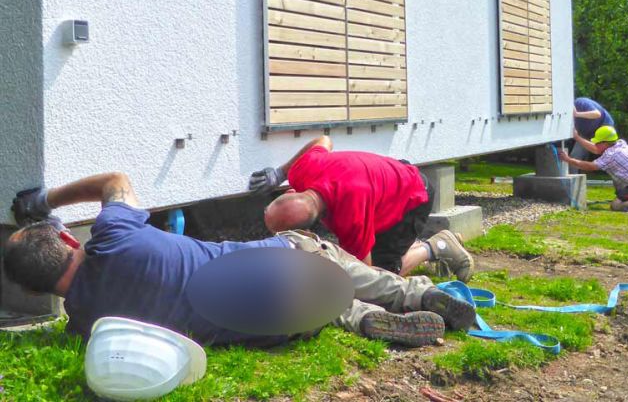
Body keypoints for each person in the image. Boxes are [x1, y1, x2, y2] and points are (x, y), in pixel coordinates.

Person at [4, 172, 476, 348]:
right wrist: (49, 198)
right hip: (281, 260)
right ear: (68, 240)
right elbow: (115, 180)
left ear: (32, 292)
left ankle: (364, 319)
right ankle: (419, 293)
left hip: (272, 323)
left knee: (322, 306)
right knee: (330, 261)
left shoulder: (88, 325)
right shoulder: (111, 234)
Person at [249, 136, 474, 281]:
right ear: (291, 192)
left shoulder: (351, 215)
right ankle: (408, 245)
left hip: (412, 196)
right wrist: (279, 173)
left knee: (381, 274)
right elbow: (323, 140)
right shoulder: (301, 171)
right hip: (388, 179)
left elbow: (366, 275)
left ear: (307, 231)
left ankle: (436, 245)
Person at [558, 126, 628, 211]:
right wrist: (577, 137)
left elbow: (591, 166)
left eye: (597, 142)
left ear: (604, 143)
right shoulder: (619, 144)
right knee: (620, 196)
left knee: (616, 206)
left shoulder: (611, 156)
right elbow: (596, 150)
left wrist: (568, 160)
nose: (595, 144)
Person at [571, 97, 615, 162]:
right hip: (587, 134)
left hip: (604, 127)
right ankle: (580, 170)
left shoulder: (581, 102)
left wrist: (577, 114)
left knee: (601, 152)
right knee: (575, 155)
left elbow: (597, 114)